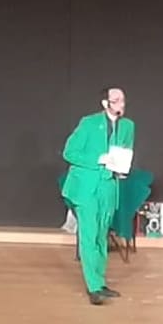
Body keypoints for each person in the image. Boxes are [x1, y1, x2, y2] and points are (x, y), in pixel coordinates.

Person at [61, 87, 135, 305]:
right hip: (86, 187)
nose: (121, 104)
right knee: (89, 234)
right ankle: (93, 286)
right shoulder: (89, 123)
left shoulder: (128, 126)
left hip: (108, 186)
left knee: (102, 235)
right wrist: (98, 159)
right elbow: (69, 152)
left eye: (123, 100)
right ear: (105, 103)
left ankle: (100, 282)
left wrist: (122, 169)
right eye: (116, 100)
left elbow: (126, 151)